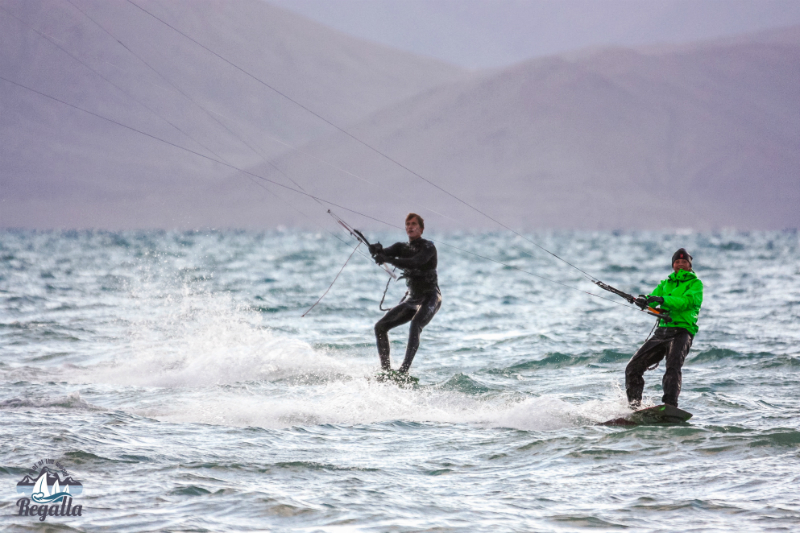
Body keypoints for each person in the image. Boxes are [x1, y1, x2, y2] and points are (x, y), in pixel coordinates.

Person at [625, 248, 703, 408]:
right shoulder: (665, 283)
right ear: (673, 265)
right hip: (662, 332)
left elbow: (685, 302)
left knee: (672, 367)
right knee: (632, 368)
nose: (680, 265)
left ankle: (670, 406)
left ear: (689, 265)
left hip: (682, 332)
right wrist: (644, 300)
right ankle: (634, 407)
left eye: (684, 262)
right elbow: (652, 298)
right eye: (677, 262)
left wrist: (662, 299)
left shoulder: (696, 284)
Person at [368, 213, 441, 374]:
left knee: (416, 324)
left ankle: (403, 371)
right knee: (380, 327)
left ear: (421, 229)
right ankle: (386, 372)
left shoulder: (428, 247)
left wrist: (388, 259)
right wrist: (376, 250)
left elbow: (415, 262)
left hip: (431, 297)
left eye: (414, 224)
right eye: (407, 224)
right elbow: (385, 252)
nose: (410, 226)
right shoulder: (401, 247)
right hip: (413, 299)